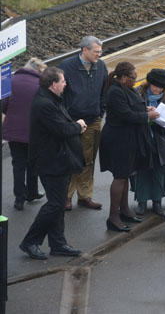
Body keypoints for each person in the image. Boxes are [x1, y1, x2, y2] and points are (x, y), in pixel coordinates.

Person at [19, 67, 86, 260]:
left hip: (58, 160)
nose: (66, 84)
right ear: (54, 84)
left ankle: (58, 243)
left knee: (57, 203)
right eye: (63, 81)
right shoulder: (45, 104)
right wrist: (78, 126)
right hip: (51, 162)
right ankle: (30, 241)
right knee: (56, 203)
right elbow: (61, 129)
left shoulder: (50, 99)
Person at [99, 62, 160, 232]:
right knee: (120, 176)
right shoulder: (114, 92)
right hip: (118, 140)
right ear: (124, 77)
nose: (135, 80)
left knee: (125, 174)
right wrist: (148, 115)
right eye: (133, 77)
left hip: (127, 139)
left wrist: (145, 108)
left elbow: (132, 106)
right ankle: (113, 217)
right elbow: (127, 114)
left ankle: (125, 211)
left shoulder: (125, 88)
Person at [59, 36, 108, 211]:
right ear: (84, 50)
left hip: (94, 120)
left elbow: (104, 91)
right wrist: (68, 119)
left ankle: (85, 195)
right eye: (96, 52)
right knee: (72, 159)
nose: (99, 55)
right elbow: (60, 96)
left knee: (89, 160)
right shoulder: (66, 67)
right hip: (72, 121)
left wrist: (100, 112)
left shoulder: (101, 66)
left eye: (100, 52)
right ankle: (66, 196)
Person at [130, 69, 165, 216]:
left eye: (160, 87)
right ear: (149, 83)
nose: (157, 89)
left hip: (161, 141)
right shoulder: (136, 94)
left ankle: (157, 201)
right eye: (154, 86)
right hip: (141, 139)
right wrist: (146, 115)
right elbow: (129, 114)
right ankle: (141, 201)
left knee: (159, 171)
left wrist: (161, 118)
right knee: (141, 170)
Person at [2, 57, 47, 211]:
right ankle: (32, 193)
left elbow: (4, 105)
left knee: (18, 164)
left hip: (13, 130)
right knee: (33, 163)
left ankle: (19, 199)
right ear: (39, 70)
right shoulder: (41, 84)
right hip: (34, 131)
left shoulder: (12, 80)